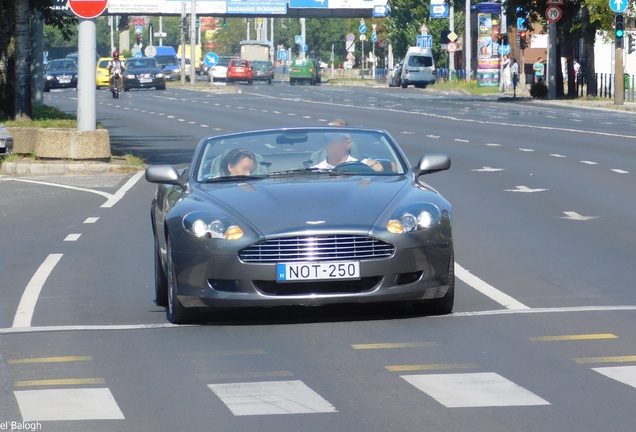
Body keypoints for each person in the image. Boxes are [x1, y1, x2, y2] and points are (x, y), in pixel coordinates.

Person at [313, 132, 383, 171]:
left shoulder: (360, 165)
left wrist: (373, 165)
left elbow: (378, 168)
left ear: (348, 144)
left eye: (338, 139)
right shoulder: (316, 170)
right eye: (328, 139)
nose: (333, 143)